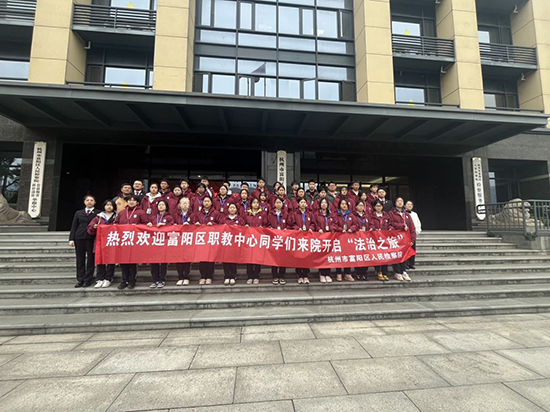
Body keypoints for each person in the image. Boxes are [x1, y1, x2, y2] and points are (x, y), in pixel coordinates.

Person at [115, 195, 148, 289]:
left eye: (134, 200)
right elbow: (116, 224)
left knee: (132, 262)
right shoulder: (122, 213)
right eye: (129, 200)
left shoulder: (141, 212)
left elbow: (145, 224)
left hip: (135, 240)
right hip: (123, 240)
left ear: (137, 202)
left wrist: (137, 226)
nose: (131, 202)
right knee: (123, 261)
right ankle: (124, 280)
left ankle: (132, 280)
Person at [69, 195, 100, 288]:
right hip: (79, 237)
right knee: (80, 259)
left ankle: (88, 279)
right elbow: (74, 226)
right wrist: (71, 239)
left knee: (91, 258)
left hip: (91, 238)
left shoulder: (98, 213)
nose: (89, 202)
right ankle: (80, 279)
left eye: (91, 200)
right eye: (87, 200)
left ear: (95, 202)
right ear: (84, 202)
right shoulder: (79, 213)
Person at [87, 199, 117, 288]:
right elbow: (89, 229)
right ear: (104, 206)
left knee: (111, 261)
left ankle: (108, 278)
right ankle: (100, 279)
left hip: (112, 241)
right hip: (100, 242)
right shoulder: (99, 217)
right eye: (107, 205)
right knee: (100, 260)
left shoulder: (117, 217)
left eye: (111, 205)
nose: (109, 207)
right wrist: (94, 227)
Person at [192, 196, 220, 285]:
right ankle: (203, 276)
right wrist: (196, 224)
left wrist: (213, 224)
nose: (206, 203)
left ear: (211, 203)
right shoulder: (199, 213)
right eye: (205, 201)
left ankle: (209, 276)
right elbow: (194, 222)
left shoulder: (215, 213)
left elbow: (220, 224)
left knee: (210, 258)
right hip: (201, 239)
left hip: (211, 238)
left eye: (208, 201)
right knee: (202, 258)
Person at [388, 197, 416, 282]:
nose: (400, 202)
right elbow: (390, 224)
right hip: (395, 239)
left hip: (405, 239)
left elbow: (412, 228)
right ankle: (397, 272)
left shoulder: (407, 214)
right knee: (396, 255)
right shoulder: (391, 213)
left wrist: (413, 240)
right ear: (395, 203)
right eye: (398, 201)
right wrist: (401, 226)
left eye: (401, 201)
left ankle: (404, 271)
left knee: (404, 255)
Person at [147, 200, 174, 288]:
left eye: (163, 205)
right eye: (159, 205)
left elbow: (172, 227)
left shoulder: (169, 217)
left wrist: (164, 225)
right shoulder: (153, 217)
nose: (161, 206)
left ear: (166, 206)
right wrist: (149, 225)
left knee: (163, 262)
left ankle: (162, 279)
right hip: (154, 242)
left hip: (164, 242)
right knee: (154, 262)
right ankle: (155, 280)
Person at [331, 198, 358, 282]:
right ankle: (338, 273)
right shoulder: (336, 214)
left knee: (348, 255)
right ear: (339, 205)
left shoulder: (351, 215)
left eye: (345, 204)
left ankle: (347, 273)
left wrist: (351, 229)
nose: (344, 206)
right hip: (339, 238)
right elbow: (333, 224)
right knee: (339, 255)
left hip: (348, 238)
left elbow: (356, 224)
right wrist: (340, 229)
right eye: (342, 204)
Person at [290, 198, 314, 284]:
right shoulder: (294, 214)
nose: (303, 204)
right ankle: (299, 275)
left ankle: (306, 275)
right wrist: (297, 228)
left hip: (307, 238)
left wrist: (310, 228)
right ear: (298, 204)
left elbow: (313, 223)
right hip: (298, 237)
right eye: (301, 202)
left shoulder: (310, 214)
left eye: (304, 202)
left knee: (307, 256)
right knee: (299, 256)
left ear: (307, 204)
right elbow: (292, 224)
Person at [221, 203, 245, 285]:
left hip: (235, 243)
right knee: (225, 260)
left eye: (233, 207)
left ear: (236, 209)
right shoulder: (224, 219)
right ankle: (226, 276)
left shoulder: (240, 219)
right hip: (226, 243)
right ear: (228, 209)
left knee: (234, 260)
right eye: (230, 207)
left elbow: (243, 230)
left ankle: (233, 276)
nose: (232, 209)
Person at [267, 197, 289, 285]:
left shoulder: (286, 214)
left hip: (283, 239)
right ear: (274, 204)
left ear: (282, 204)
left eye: (280, 202)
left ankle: (282, 276)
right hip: (274, 238)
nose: (278, 204)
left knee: (283, 258)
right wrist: (270, 229)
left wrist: (287, 229)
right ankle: (275, 276)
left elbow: (289, 224)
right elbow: (267, 224)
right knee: (274, 258)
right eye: (277, 202)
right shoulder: (271, 214)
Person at [312, 198, 334, 283]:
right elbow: (314, 223)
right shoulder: (316, 214)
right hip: (320, 237)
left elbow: (334, 223)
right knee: (321, 256)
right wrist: (319, 229)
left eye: (325, 203)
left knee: (328, 256)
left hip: (329, 237)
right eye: (322, 203)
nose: (324, 204)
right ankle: (321, 273)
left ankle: (327, 274)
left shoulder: (331, 214)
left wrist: (332, 228)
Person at [244, 198, 266, 284]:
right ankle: (250, 276)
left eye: (257, 202)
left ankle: (256, 276)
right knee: (249, 258)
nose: (256, 204)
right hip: (249, 239)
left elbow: (266, 224)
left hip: (258, 239)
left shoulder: (262, 214)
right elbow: (243, 223)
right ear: (251, 204)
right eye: (254, 202)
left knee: (257, 258)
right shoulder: (247, 214)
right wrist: (245, 226)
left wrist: (262, 228)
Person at [173, 197, 193, 285]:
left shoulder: (193, 215)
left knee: (187, 258)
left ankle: (186, 276)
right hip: (178, 239)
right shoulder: (175, 215)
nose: (185, 205)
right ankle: (180, 276)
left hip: (188, 239)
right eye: (183, 203)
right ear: (179, 205)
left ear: (189, 205)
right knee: (178, 258)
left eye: (186, 203)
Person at [371, 199, 391, 282]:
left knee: (385, 255)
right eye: (377, 206)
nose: (378, 207)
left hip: (385, 238)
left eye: (380, 206)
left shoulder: (386, 215)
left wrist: (390, 228)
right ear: (374, 207)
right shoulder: (372, 216)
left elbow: (390, 224)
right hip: (376, 239)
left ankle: (385, 272)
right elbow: (371, 225)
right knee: (378, 255)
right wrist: (374, 229)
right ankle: (378, 271)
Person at [353, 200, 371, 281]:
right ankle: (358, 272)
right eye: (359, 205)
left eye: (362, 205)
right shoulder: (353, 215)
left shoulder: (367, 215)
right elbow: (352, 224)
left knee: (366, 255)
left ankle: (364, 272)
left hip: (366, 238)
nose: (361, 207)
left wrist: (371, 228)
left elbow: (371, 223)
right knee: (358, 255)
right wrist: (357, 229)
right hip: (357, 238)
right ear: (356, 206)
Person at [405, 200, 421, 270]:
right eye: (408, 204)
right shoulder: (403, 214)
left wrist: (416, 232)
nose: (409, 206)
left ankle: (411, 263)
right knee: (406, 250)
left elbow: (418, 223)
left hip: (413, 234)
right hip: (405, 234)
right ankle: (406, 264)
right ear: (405, 205)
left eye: (411, 204)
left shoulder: (415, 214)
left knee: (413, 249)